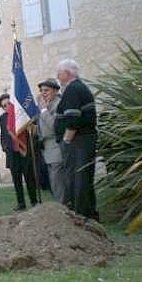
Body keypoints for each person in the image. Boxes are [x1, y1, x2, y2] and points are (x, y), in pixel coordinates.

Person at [55, 59, 99, 220]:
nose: (57, 77)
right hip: (84, 140)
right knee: (84, 177)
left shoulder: (72, 89)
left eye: (58, 73)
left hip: (78, 142)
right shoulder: (80, 87)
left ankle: (80, 215)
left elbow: (72, 119)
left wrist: (66, 141)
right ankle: (89, 214)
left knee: (77, 178)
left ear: (66, 73)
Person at [0, 94, 38, 211]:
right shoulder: (2, 118)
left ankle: (34, 201)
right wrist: (4, 147)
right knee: (16, 179)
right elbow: (3, 134)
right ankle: (21, 203)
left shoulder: (22, 115)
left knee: (29, 177)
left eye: (8, 104)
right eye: (4, 106)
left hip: (24, 150)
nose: (7, 107)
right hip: (12, 152)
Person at [37, 78, 65, 203]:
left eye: (46, 90)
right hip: (47, 148)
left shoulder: (58, 104)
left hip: (56, 147)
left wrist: (43, 110)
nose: (43, 93)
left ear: (55, 91)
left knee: (57, 182)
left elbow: (55, 126)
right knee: (53, 182)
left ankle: (63, 209)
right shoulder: (46, 105)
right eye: (42, 90)